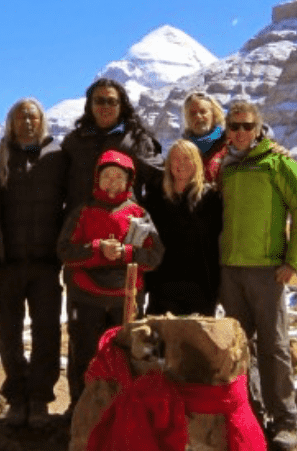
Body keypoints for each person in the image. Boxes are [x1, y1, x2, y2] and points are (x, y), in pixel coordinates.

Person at [217, 100, 297, 451]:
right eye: (234, 126)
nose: (240, 133)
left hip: (267, 270)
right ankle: (252, 416)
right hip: (231, 270)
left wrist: (293, 262)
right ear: (227, 130)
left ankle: (285, 419)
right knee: (240, 348)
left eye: (247, 126)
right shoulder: (224, 166)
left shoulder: (279, 162)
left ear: (259, 128)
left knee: (273, 346)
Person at [57, 150, 164, 408]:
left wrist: (127, 253)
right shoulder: (82, 212)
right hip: (86, 296)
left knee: (129, 355)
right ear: (98, 179)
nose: (113, 182)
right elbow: (64, 250)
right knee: (84, 354)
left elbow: (155, 255)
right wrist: (96, 250)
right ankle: (81, 408)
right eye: (107, 176)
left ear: (129, 181)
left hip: (125, 298)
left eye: (119, 176)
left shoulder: (139, 214)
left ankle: (125, 411)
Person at [0, 98, 66, 428]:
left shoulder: (59, 157)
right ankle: (16, 396)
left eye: (33, 117)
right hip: (8, 262)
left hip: (47, 262)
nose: (27, 122)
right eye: (21, 117)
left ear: (42, 121)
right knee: (7, 331)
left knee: (47, 331)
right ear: (11, 122)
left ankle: (39, 399)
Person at [61, 78, 164, 215]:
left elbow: (160, 181)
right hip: (79, 227)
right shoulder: (73, 142)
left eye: (111, 101)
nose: (105, 106)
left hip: (122, 226)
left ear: (121, 106)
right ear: (90, 105)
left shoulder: (137, 140)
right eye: (99, 101)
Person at [143, 139, 221, 316]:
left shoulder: (211, 199)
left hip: (201, 286)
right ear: (168, 165)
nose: (181, 164)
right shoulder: (156, 199)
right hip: (162, 286)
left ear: (197, 163)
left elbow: (217, 244)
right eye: (176, 159)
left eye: (187, 159)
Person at [181, 91, 228, 185]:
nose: (198, 117)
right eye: (192, 114)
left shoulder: (228, 146)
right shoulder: (181, 150)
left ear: (214, 115)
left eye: (203, 112)